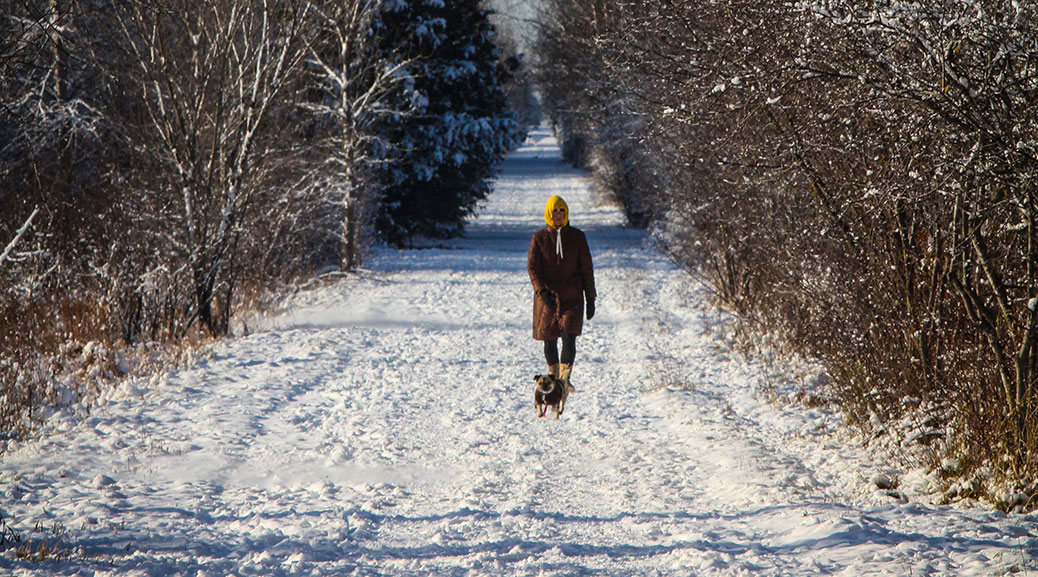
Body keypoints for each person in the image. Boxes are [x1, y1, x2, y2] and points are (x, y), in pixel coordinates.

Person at [528, 195, 596, 392]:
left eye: (562, 212)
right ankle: (553, 376)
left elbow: (586, 268)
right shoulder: (539, 238)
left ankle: (564, 380)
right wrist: (541, 291)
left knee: (569, 336)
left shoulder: (577, 237)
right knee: (549, 338)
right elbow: (533, 268)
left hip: (572, 296)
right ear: (549, 214)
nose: (558, 216)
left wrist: (590, 297)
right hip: (547, 298)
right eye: (555, 212)